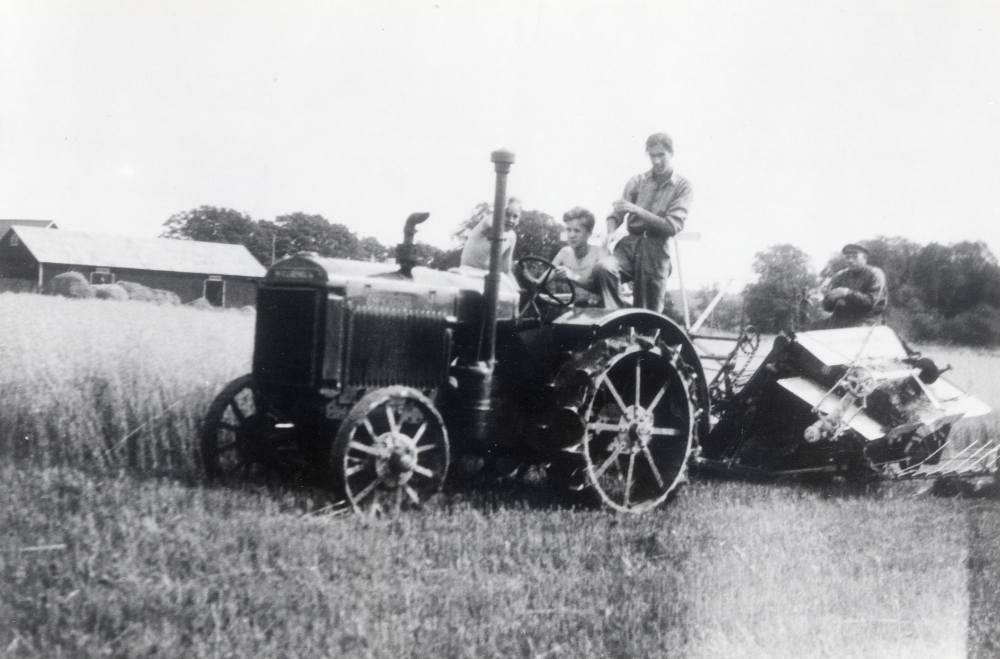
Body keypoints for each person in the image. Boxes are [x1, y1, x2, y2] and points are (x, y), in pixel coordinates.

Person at [592, 132, 693, 313]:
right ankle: (618, 322)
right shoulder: (637, 181)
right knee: (604, 268)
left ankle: (645, 338)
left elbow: (672, 226)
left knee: (648, 314)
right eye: (652, 155)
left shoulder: (683, 186)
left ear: (672, 153)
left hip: (656, 250)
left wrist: (637, 210)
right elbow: (616, 215)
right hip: (629, 247)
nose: (656, 161)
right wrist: (611, 231)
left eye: (661, 155)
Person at [820, 243, 888, 328]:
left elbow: (870, 303)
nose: (850, 260)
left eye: (855, 257)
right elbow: (827, 307)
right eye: (847, 257)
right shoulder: (839, 276)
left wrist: (847, 293)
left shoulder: (875, 274)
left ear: (865, 258)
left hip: (867, 321)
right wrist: (830, 299)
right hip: (841, 321)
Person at [551, 207, 605, 305]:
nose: (571, 235)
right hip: (578, 309)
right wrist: (523, 273)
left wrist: (572, 276)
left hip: (601, 312)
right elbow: (541, 282)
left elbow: (603, 289)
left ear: (588, 233)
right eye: (568, 230)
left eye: (577, 231)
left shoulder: (599, 253)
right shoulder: (564, 253)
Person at [460, 197, 521, 274]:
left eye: (515, 216)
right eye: (506, 214)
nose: (511, 220)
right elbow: (490, 224)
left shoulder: (512, 236)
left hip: (488, 276)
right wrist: (497, 209)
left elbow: (506, 270)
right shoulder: (488, 221)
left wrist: (515, 286)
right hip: (468, 271)